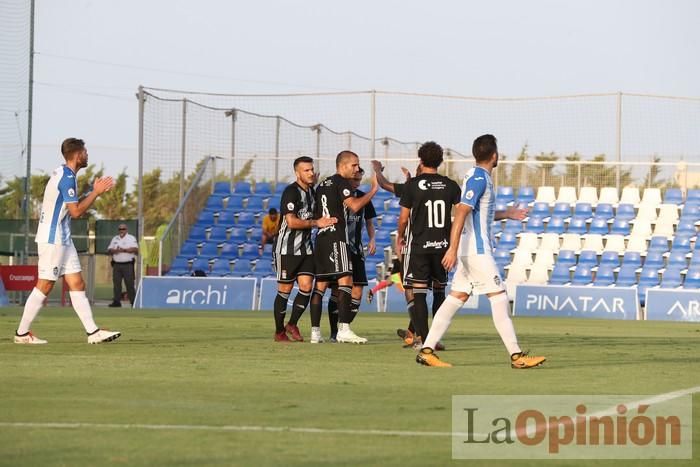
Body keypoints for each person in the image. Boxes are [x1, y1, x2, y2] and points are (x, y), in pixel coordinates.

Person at [416, 134, 546, 369]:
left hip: (469, 250)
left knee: (457, 297)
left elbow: (477, 213)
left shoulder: (478, 177)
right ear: (494, 155)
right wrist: (452, 249)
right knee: (499, 297)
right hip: (476, 251)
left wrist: (507, 214)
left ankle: (427, 350)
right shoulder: (478, 178)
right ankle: (517, 356)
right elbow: (462, 212)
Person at [13, 138, 121, 344]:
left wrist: (91, 192)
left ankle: (93, 333)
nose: (88, 155)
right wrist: (96, 192)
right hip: (53, 238)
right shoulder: (67, 178)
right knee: (45, 285)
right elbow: (77, 211)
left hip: (63, 237)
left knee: (77, 282)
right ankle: (22, 334)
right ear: (78, 155)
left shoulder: (64, 173)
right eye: (85, 152)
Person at [396, 142, 462, 348]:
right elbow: (461, 214)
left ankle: (425, 340)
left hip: (419, 248)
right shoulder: (451, 185)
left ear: (421, 160)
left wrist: (399, 237)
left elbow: (404, 219)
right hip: (442, 248)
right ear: (440, 161)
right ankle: (436, 338)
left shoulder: (412, 185)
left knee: (419, 293)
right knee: (440, 292)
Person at [309, 151, 378, 344]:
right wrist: (374, 190)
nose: (357, 169)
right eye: (354, 165)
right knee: (346, 281)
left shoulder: (323, 184)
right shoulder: (341, 182)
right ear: (343, 165)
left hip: (321, 240)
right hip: (336, 238)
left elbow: (316, 213)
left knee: (321, 285)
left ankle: (315, 333)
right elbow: (354, 206)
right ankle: (343, 329)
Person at [272, 156, 337, 342]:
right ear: (297, 172)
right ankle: (279, 332)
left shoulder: (312, 192)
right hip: (286, 250)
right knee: (284, 289)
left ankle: (292, 324)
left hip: (306, 250)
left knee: (306, 287)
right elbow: (291, 222)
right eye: (306, 170)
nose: (310, 173)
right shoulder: (291, 192)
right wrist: (317, 222)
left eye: (311, 170)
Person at [326, 168, 377, 341]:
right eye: (355, 179)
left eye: (359, 179)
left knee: (357, 292)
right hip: (339, 246)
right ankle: (334, 332)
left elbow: (369, 222)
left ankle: (344, 328)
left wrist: (372, 239)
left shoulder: (364, 197)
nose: (357, 182)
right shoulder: (338, 195)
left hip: (356, 249)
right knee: (336, 291)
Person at [107, 223, 138, 307]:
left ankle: (133, 302)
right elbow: (109, 250)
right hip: (116, 265)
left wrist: (124, 250)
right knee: (116, 284)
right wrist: (115, 251)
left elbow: (135, 249)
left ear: (126, 230)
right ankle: (117, 302)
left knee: (129, 284)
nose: (121, 230)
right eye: (120, 229)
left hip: (127, 264)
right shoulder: (115, 238)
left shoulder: (131, 238)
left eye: (123, 229)